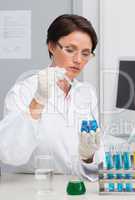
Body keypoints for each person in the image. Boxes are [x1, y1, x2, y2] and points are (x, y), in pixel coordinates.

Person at [0, 14, 102, 181]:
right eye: (70, 50)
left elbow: (95, 160)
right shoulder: (24, 91)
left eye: (86, 53)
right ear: (52, 46)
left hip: (75, 187)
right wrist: (37, 102)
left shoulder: (87, 94)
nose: (78, 60)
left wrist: (88, 157)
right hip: (33, 188)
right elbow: (9, 154)